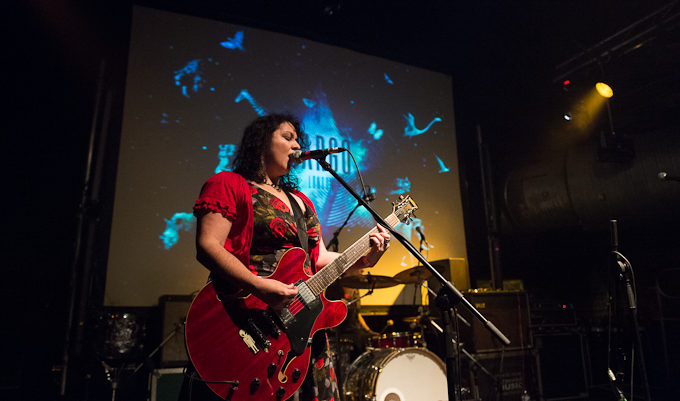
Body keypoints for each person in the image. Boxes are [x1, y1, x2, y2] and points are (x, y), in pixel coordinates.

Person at [181, 113, 391, 401]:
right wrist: (258, 285)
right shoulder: (229, 183)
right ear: (261, 142)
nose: (297, 146)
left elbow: (316, 259)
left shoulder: (300, 201)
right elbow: (208, 245)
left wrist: (365, 258)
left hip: (300, 333)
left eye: (298, 140)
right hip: (244, 318)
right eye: (288, 137)